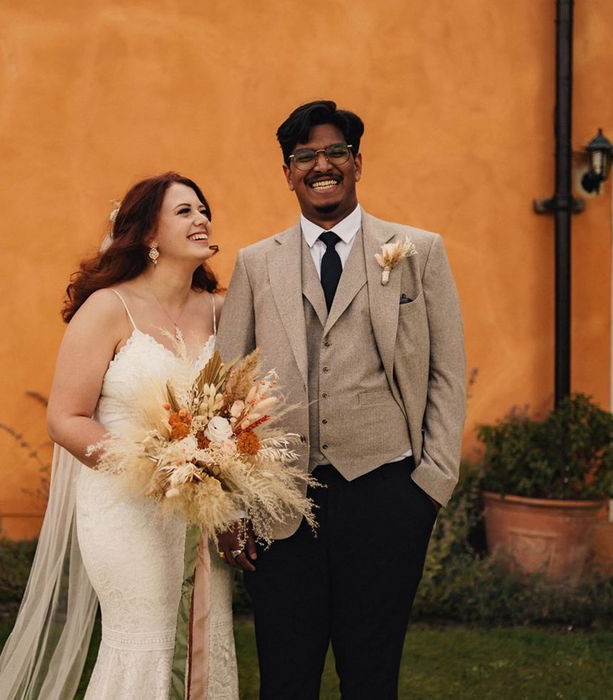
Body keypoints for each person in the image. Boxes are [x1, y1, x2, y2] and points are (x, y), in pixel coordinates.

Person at [216, 100, 466, 699]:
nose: (320, 165)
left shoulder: (418, 251)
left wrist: (429, 486)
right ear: (288, 171)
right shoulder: (255, 263)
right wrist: (230, 504)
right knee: (285, 676)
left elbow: (446, 374)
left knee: (372, 676)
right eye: (305, 156)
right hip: (280, 503)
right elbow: (225, 390)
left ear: (357, 162)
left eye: (334, 153)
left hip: (387, 494)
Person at [0, 172, 238, 699]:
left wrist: (227, 492)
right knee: (145, 639)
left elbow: (240, 410)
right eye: (185, 211)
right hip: (126, 507)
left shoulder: (222, 310)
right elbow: (66, 418)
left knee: (205, 637)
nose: (202, 219)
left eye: (203, 209)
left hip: (201, 510)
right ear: (148, 234)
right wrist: (154, 470)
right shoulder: (107, 309)